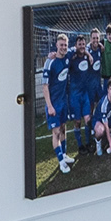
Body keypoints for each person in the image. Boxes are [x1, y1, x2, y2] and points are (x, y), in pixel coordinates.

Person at [40, 34, 74, 173]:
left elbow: (79, 48)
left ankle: (64, 155)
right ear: (56, 46)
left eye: (65, 45)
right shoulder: (50, 62)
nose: (64, 47)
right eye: (61, 45)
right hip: (53, 104)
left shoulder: (68, 56)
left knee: (63, 128)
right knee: (56, 132)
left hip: (63, 102)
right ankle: (61, 162)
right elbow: (45, 86)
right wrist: (49, 106)